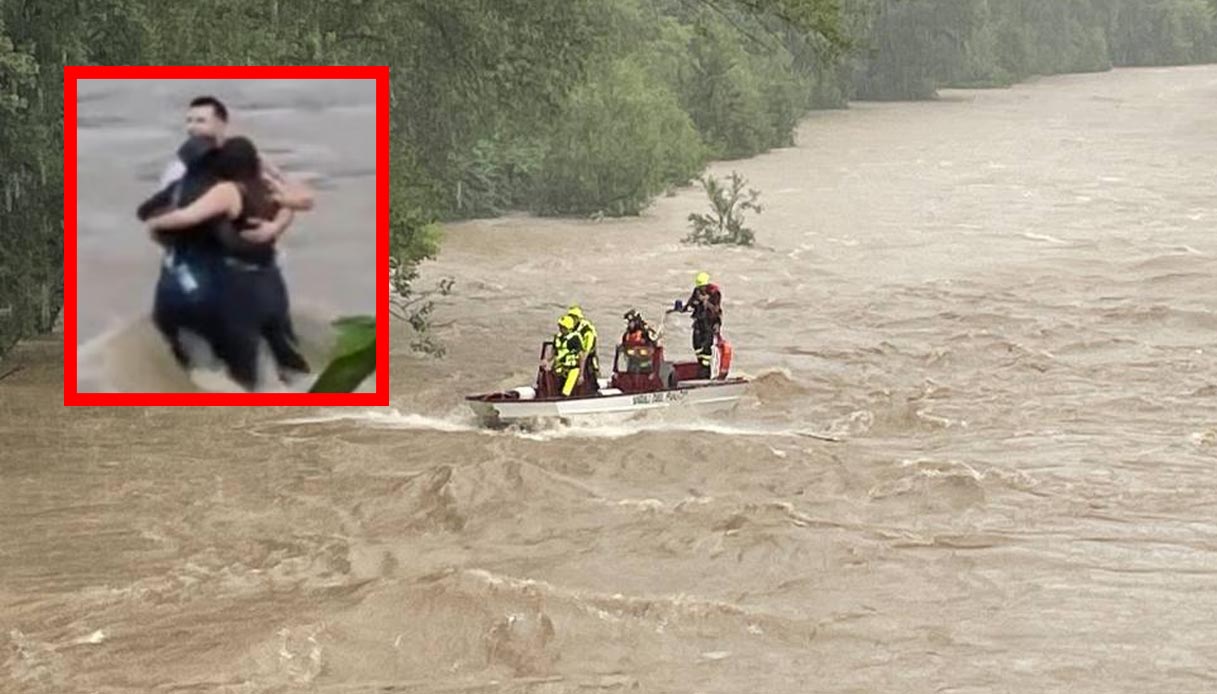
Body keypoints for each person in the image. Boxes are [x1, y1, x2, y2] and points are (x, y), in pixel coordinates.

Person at [144, 136, 309, 390]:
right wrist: (274, 227)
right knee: (289, 357)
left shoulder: (229, 191)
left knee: (245, 371)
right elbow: (301, 200)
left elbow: (187, 217)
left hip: (241, 289)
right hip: (272, 282)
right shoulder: (266, 187)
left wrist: (156, 223)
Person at [674, 271, 722, 378]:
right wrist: (683, 309)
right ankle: (700, 365)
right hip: (699, 321)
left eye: (702, 287)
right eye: (699, 287)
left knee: (706, 349)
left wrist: (706, 302)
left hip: (710, 323)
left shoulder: (715, 293)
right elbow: (691, 302)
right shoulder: (697, 291)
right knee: (696, 345)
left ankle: (705, 373)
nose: (701, 290)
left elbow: (716, 310)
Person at [541, 313, 586, 397]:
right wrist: (546, 360)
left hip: (573, 369)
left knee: (566, 391)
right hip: (560, 368)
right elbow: (554, 352)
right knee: (554, 386)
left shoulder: (575, 339)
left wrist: (581, 375)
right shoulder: (557, 337)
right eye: (560, 327)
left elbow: (581, 356)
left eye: (563, 327)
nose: (561, 329)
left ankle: (566, 400)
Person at [566, 304, 600, 393]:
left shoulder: (587, 332)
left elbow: (585, 353)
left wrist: (581, 374)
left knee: (589, 383)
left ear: (577, 318)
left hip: (587, 361)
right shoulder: (571, 328)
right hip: (574, 359)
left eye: (573, 317)